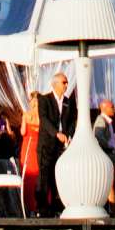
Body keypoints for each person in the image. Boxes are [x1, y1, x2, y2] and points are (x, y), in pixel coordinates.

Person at [32, 72, 73, 217]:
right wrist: (56, 133)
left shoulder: (68, 101)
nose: (66, 85)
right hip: (46, 144)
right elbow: (44, 120)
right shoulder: (44, 99)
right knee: (44, 176)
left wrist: (68, 135)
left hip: (61, 146)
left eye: (67, 82)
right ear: (55, 84)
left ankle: (57, 207)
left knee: (58, 176)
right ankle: (42, 208)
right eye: (64, 82)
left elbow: (71, 121)